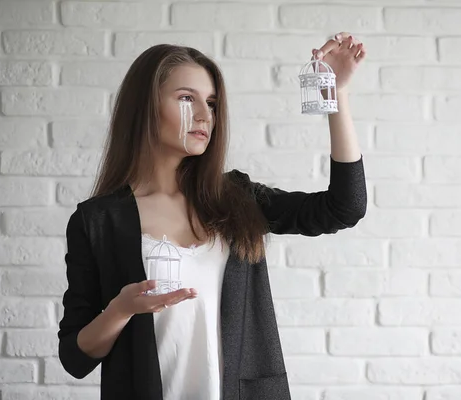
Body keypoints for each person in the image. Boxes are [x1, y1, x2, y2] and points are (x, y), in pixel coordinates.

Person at [57, 31, 368, 400]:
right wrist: (121, 309)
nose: (205, 115)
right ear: (145, 106)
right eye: (187, 98)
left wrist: (337, 96)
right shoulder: (97, 221)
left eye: (212, 103)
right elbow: (75, 357)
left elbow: (345, 207)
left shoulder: (236, 197)